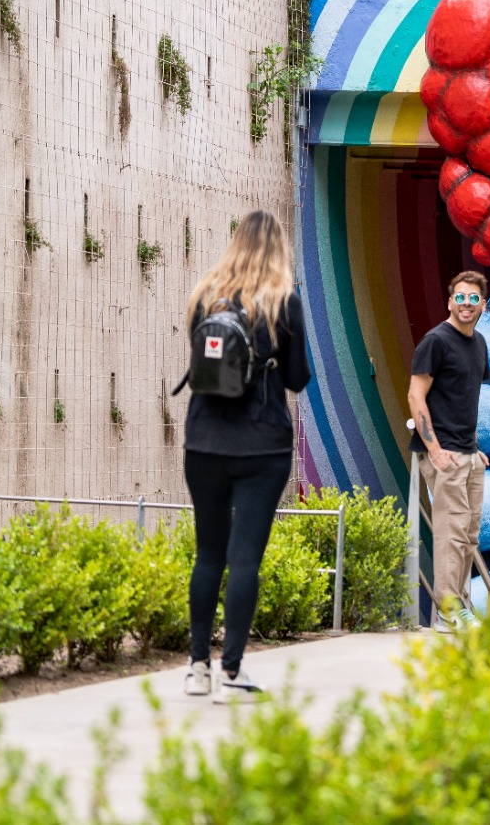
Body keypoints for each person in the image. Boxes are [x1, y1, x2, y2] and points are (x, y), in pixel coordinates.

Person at [180, 210, 310, 702]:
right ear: (278, 248)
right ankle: (231, 672)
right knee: (244, 559)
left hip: (204, 441)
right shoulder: (283, 300)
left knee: (208, 554)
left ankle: (197, 668)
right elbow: (297, 379)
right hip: (262, 445)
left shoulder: (204, 295)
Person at [407, 270, 490, 630]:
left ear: (482, 305)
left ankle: (458, 607)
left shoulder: (479, 344)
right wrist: (436, 450)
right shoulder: (435, 341)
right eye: (460, 297)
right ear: (449, 302)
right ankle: (447, 610)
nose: (466, 304)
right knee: (451, 533)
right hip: (445, 456)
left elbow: (463, 401)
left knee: (468, 536)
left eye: (473, 298)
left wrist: (475, 448)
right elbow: (416, 396)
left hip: (468, 455)